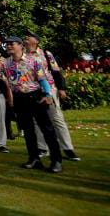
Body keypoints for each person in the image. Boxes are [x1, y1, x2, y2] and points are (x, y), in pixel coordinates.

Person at [0, 33, 62, 173]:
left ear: (21, 46)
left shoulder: (33, 60)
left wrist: (48, 94)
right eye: (7, 44)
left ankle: (56, 160)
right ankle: (34, 159)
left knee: (47, 129)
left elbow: (42, 80)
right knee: (28, 130)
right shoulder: (6, 62)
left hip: (36, 97)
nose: (9, 46)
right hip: (19, 98)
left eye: (12, 43)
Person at [24, 33, 80, 161]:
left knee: (57, 119)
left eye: (29, 37)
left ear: (36, 41)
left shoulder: (46, 54)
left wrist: (61, 88)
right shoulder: (23, 55)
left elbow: (56, 71)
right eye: (25, 37)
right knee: (37, 121)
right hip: (33, 91)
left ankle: (68, 149)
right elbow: (8, 59)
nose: (26, 38)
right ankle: (42, 148)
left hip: (50, 89)